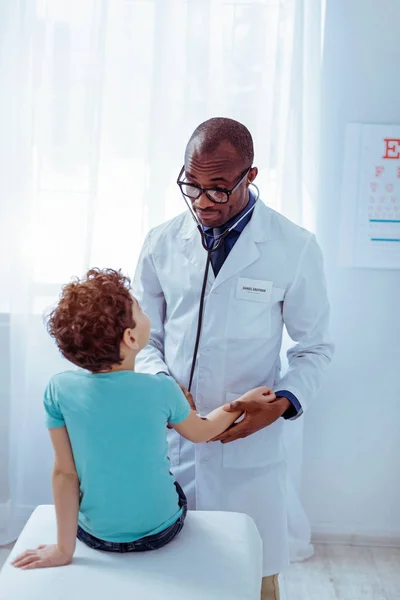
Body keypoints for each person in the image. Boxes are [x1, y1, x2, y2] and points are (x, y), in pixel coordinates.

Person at [133, 117, 334, 600]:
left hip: (247, 449)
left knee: (256, 578)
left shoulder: (294, 247)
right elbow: (141, 338)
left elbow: (315, 348)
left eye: (219, 188)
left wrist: (283, 401)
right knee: (171, 576)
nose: (203, 201)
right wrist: (161, 382)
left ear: (251, 175)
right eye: (192, 185)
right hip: (173, 440)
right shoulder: (162, 242)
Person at [12, 268, 273, 570]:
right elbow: (202, 432)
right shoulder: (161, 389)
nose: (144, 310)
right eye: (139, 307)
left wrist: (62, 549)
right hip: (159, 532)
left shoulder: (58, 390)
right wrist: (242, 404)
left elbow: (64, 474)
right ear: (132, 337)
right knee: (169, 482)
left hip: (97, 536)